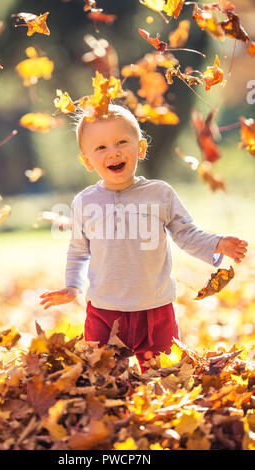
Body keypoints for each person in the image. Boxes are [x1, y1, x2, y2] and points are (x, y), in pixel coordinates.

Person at [40, 104, 248, 372]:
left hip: (155, 308)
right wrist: (72, 286)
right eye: (101, 148)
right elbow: (79, 250)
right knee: (103, 377)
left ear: (140, 148)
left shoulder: (159, 194)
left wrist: (216, 243)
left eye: (121, 142)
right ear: (87, 160)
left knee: (164, 374)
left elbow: (185, 233)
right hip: (105, 310)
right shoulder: (85, 202)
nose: (113, 152)